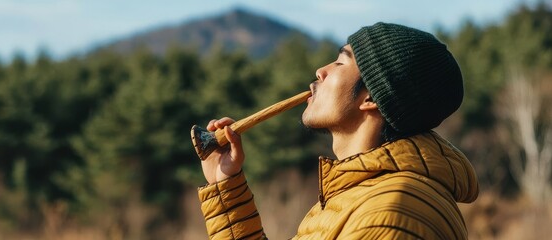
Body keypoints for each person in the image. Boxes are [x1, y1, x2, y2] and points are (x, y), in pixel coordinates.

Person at [196, 22, 479, 239]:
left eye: (341, 62)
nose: (321, 70)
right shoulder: (355, 197)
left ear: (371, 98)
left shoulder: (389, 213)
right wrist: (226, 185)